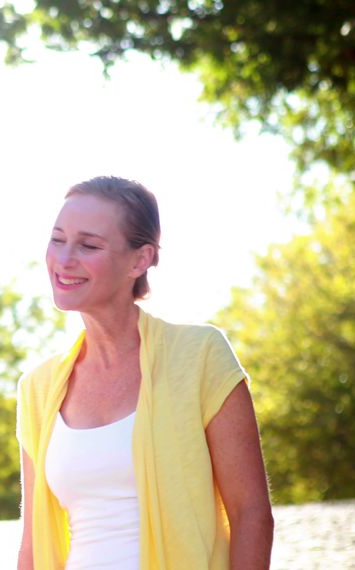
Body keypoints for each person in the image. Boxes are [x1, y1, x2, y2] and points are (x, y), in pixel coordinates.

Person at [17, 176, 273, 569]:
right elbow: (33, 548)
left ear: (139, 260)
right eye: (57, 239)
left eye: (88, 245)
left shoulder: (200, 357)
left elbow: (251, 514)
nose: (64, 259)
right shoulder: (38, 388)